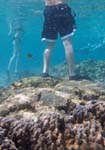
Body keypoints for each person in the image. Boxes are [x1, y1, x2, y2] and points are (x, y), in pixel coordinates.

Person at [42, 0, 77, 79]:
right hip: (63, 8)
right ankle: (72, 74)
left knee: (49, 46)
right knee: (67, 43)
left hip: (49, 9)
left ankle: (45, 72)